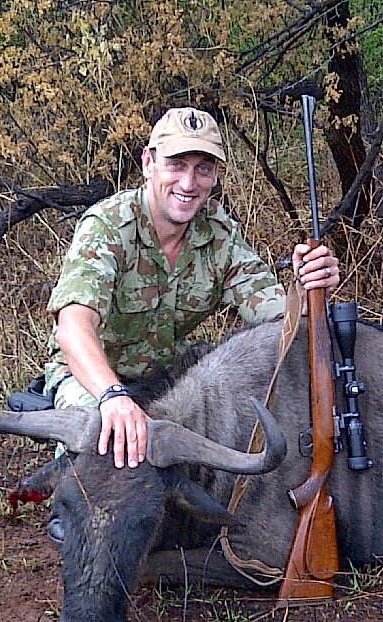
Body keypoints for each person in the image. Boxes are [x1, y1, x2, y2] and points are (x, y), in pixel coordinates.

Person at [43, 107, 340, 471]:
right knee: (102, 442)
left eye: (203, 168)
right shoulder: (107, 226)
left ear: (215, 176)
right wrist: (112, 396)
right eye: (176, 165)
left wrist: (308, 284)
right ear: (148, 163)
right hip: (94, 378)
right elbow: (72, 327)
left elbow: (281, 319)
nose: (188, 183)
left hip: (172, 372)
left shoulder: (217, 232)